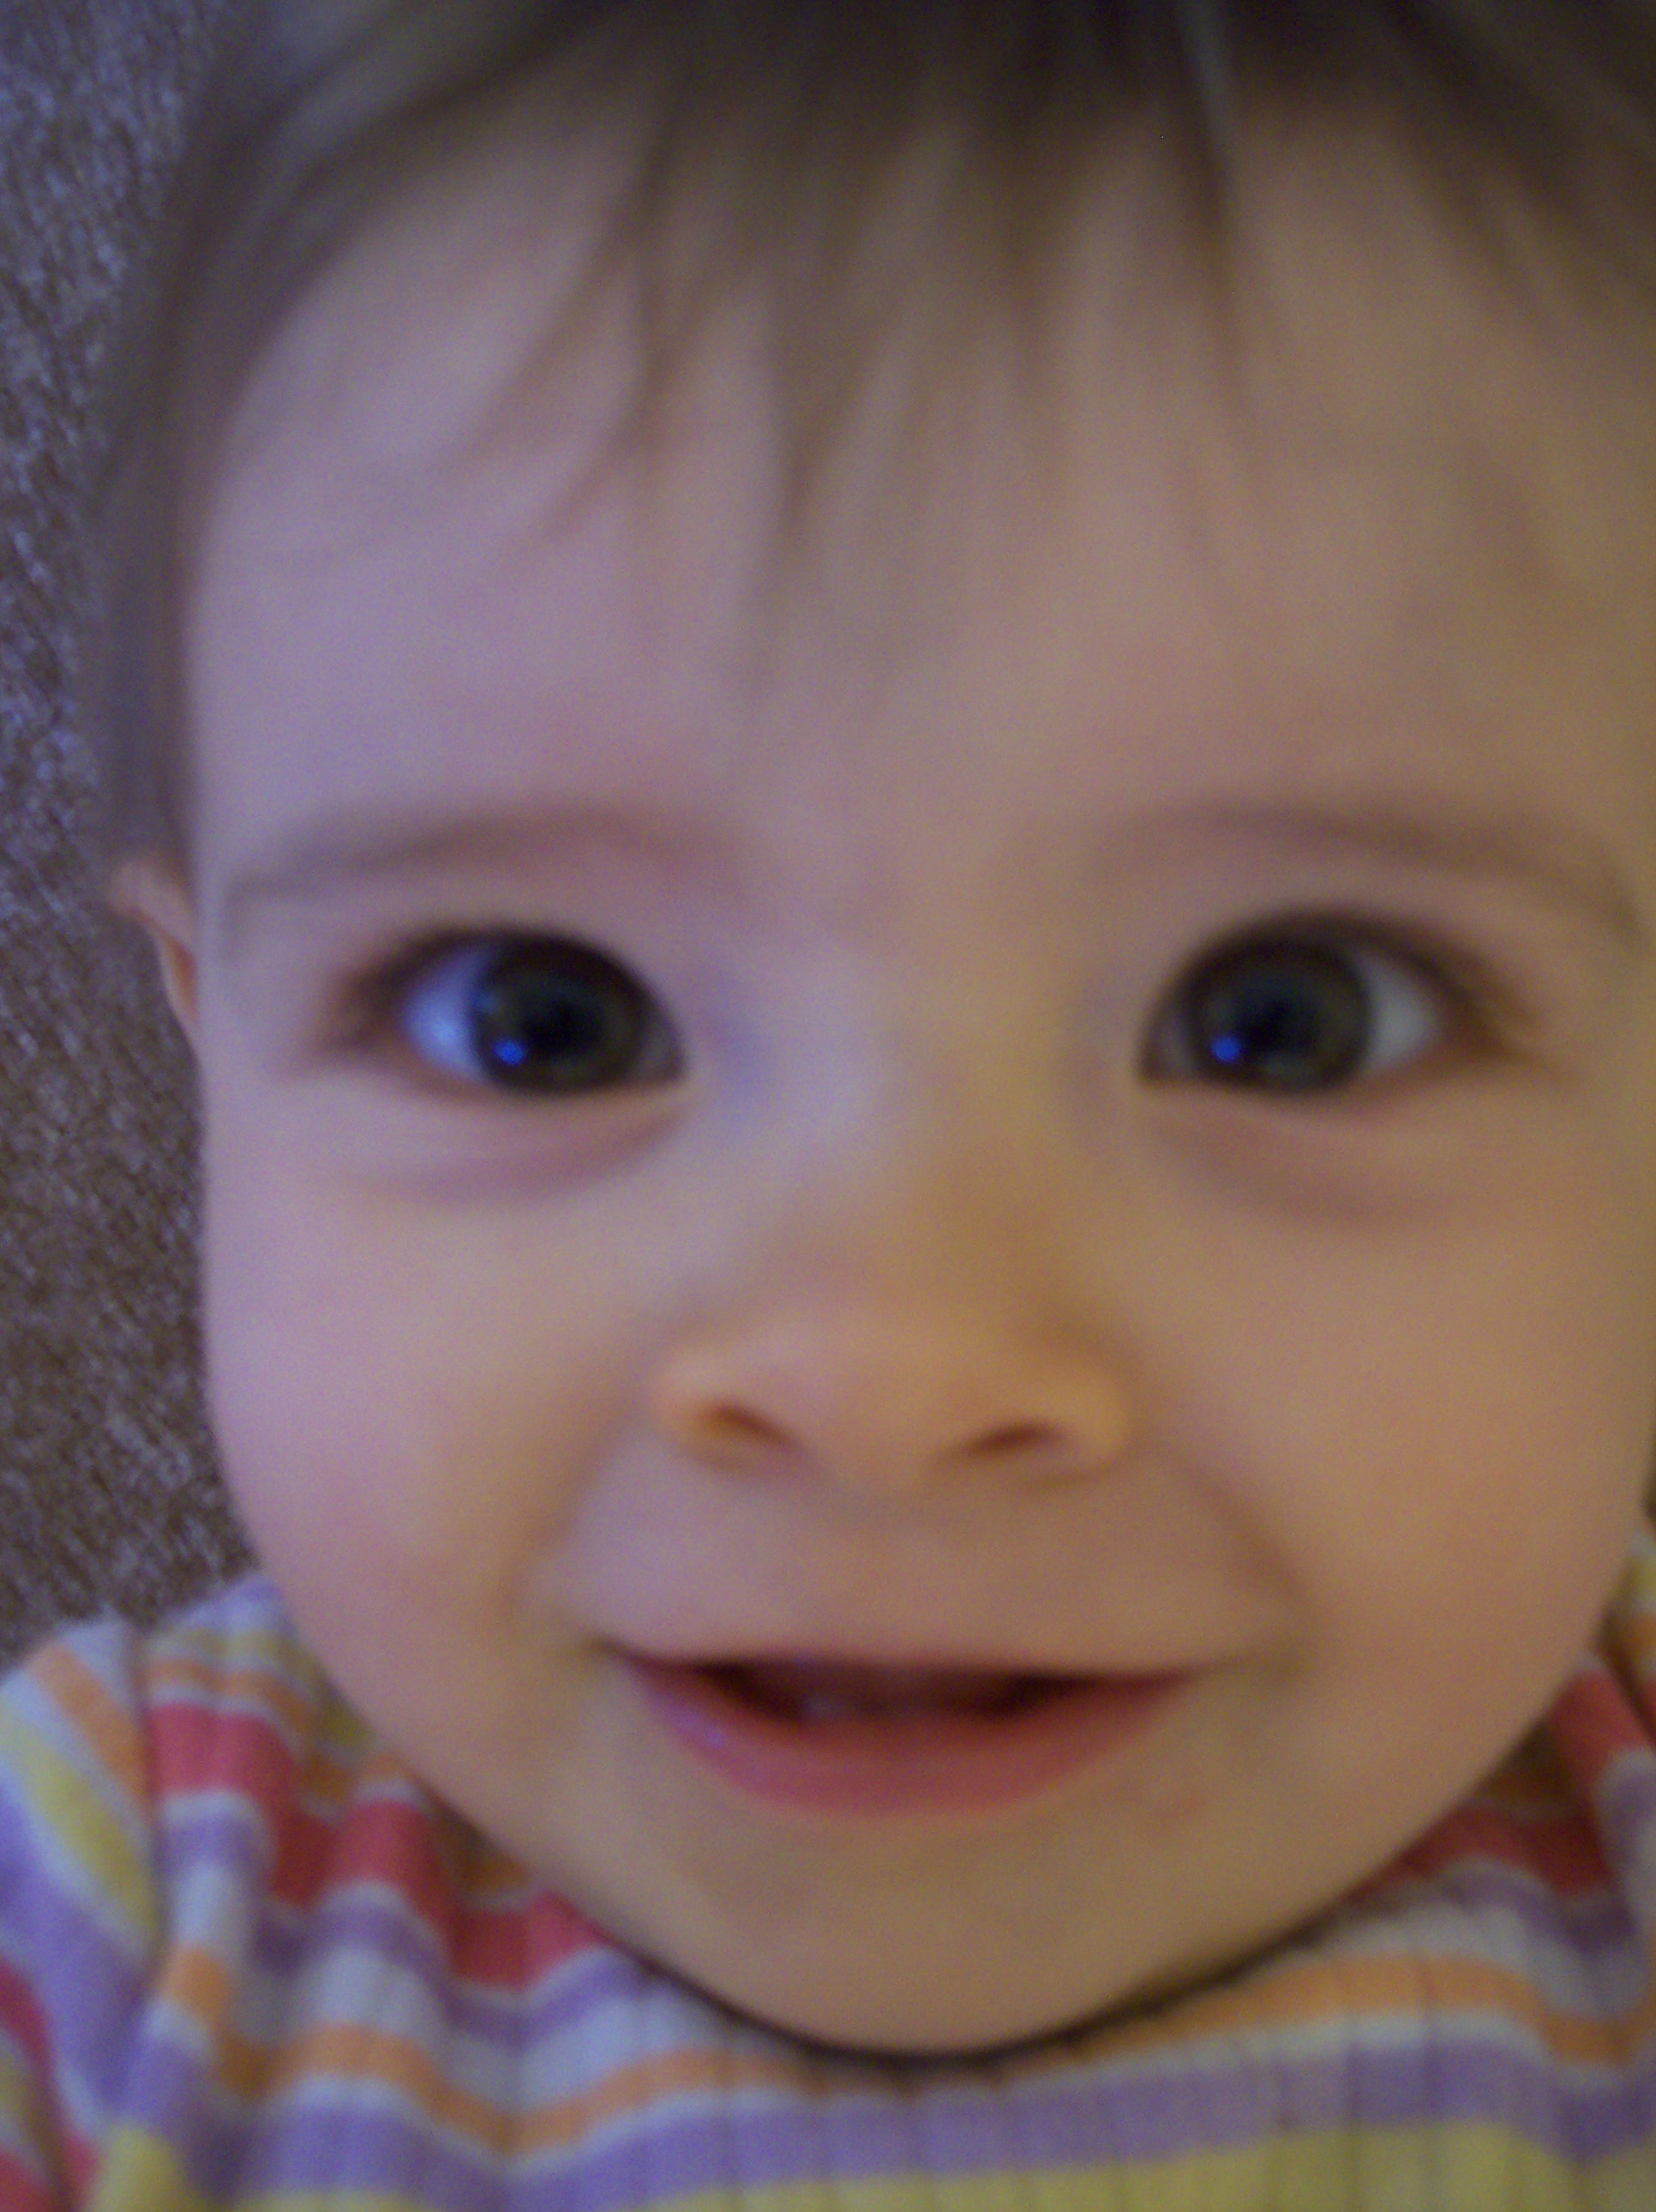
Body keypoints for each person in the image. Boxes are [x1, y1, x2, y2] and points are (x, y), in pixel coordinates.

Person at [6, 0, 1656, 2202]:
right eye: (544, 1019)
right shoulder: (106, 1922)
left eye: (1289, 1018)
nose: (890, 1381)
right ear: (214, 1030)